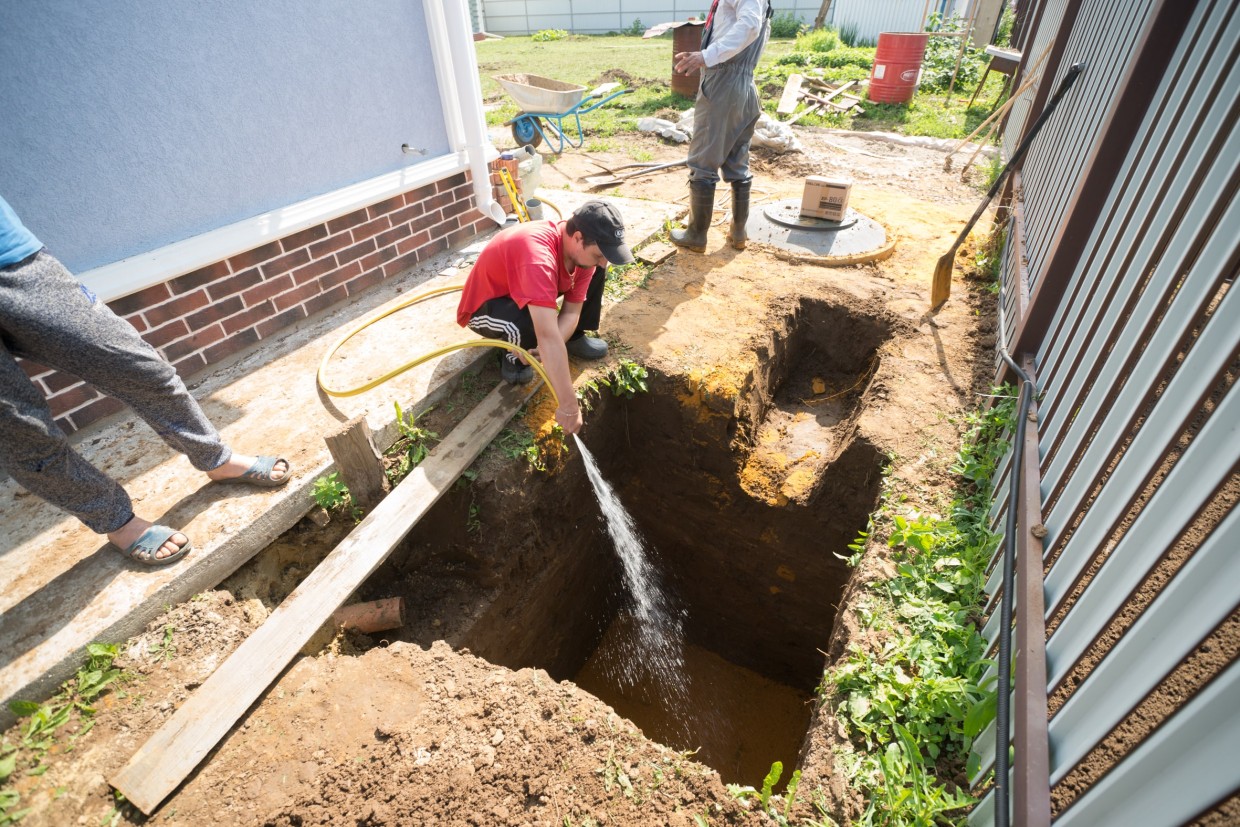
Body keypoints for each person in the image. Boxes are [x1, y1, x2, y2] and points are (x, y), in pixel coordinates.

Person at [0, 195, 290, 566]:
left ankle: (215, 458)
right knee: (19, 432)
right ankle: (116, 520)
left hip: (15, 262)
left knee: (140, 369)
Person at [456, 200, 634, 436]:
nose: (603, 261)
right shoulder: (538, 257)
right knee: (532, 324)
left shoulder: (581, 252)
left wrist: (552, 343)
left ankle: (571, 340)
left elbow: (571, 312)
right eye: (599, 254)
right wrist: (569, 406)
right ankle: (514, 357)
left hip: (521, 293)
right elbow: (548, 336)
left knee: (591, 277)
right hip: (486, 309)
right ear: (578, 238)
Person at [671, 0, 773, 253]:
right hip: (745, 86)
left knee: (703, 163)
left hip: (723, 84)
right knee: (737, 162)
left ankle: (696, 235)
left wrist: (706, 55)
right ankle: (738, 233)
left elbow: (750, 26)